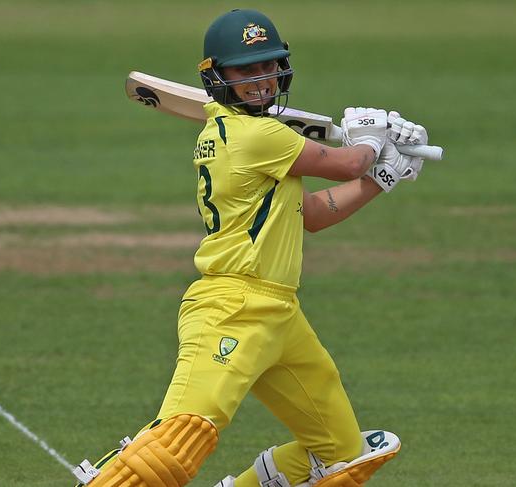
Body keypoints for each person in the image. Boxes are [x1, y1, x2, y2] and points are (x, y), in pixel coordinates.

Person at [73, 8, 429, 487]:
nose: (262, 79)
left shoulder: (252, 136)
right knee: (176, 444)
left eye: (269, 65)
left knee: (344, 457)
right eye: (247, 70)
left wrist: (383, 175)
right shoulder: (256, 135)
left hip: (281, 315)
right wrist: (372, 140)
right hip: (233, 307)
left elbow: (316, 215)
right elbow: (346, 165)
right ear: (218, 77)